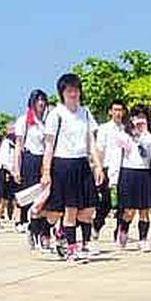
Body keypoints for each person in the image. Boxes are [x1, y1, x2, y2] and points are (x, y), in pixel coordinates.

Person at [41, 73, 103, 262]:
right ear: (62, 93)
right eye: (69, 91)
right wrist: (46, 172)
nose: (73, 94)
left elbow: (91, 141)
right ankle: (71, 248)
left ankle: (73, 239)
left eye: (76, 90)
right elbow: (49, 146)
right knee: (68, 210)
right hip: (63, 164)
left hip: (82, 164)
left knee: (89, 209)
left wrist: (98, 166)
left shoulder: (85, 113)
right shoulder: (56, 114)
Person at [12, 89, 53, 250]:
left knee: (47, 198)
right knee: (33, 197)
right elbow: (18, 146)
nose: (41, 103)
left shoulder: (49, 120)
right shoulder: (24, 121)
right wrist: (16, 168)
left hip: (46, 160)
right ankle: (33, 229)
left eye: (43, 100)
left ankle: (41, 231)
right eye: (38, 100)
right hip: (30, 160)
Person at [114, 105, 151, 252]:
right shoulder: (125, 134)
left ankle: (143, 239)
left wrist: (144, 133)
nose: (140, 120)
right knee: (129, 210)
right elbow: (119, 149)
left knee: (144, 209)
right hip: (128, 172)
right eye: (136, 116)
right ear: (131, 119)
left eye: (143, 117)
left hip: (144, 173)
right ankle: (124, 228)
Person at [94, 99, 127, 240]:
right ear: (110, 112)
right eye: (115, 110)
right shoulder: (104, 129)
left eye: (120, 110)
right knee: (106, 202)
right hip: (108, 168)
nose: (118, 113)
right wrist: (99, 168)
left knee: (123, 203)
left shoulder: (127, 129)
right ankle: (97, 225)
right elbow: (99, 149)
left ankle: (120, 231)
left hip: (124, 169)